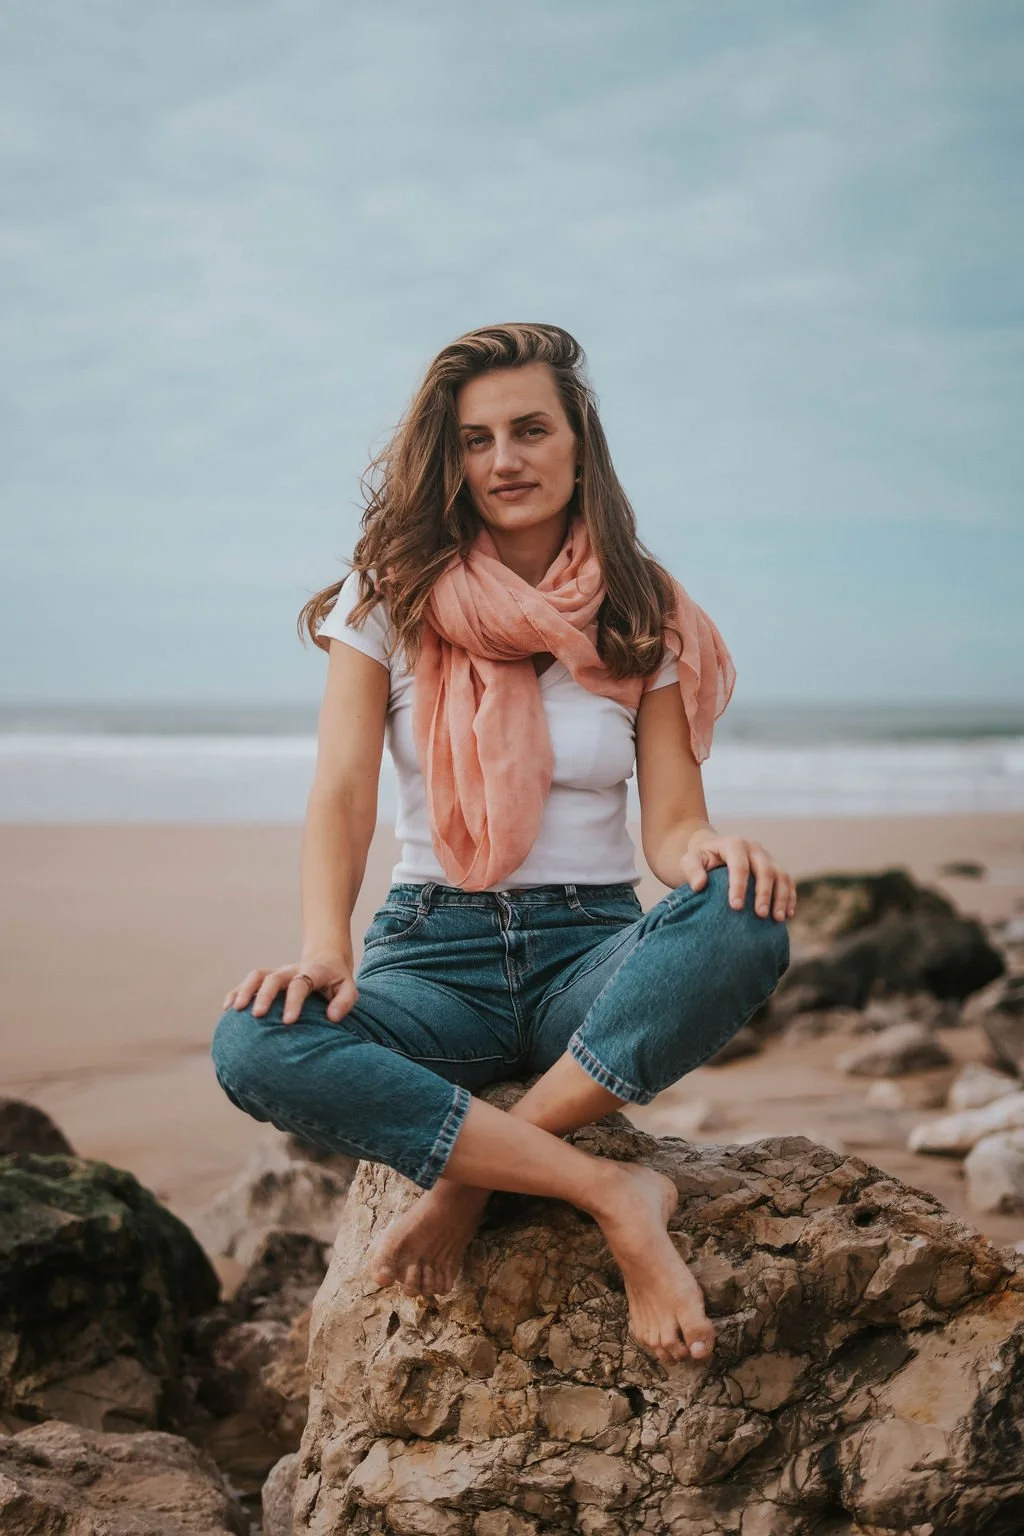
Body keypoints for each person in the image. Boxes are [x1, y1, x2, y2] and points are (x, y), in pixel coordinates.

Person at [211, 322, 795, 1367]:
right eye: (476, 440)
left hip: (591, 949)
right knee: (256, 1041)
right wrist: (325, 950)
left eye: (529, 430)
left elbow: (668, 826)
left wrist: (711, 850)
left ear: (580, 443)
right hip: (432, 957)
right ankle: (608, 1188)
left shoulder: (642, 610)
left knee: (746, 916)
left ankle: (471, 1177)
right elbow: (342, 792)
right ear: (451, 456)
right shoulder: (386, 594)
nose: (504, 460)